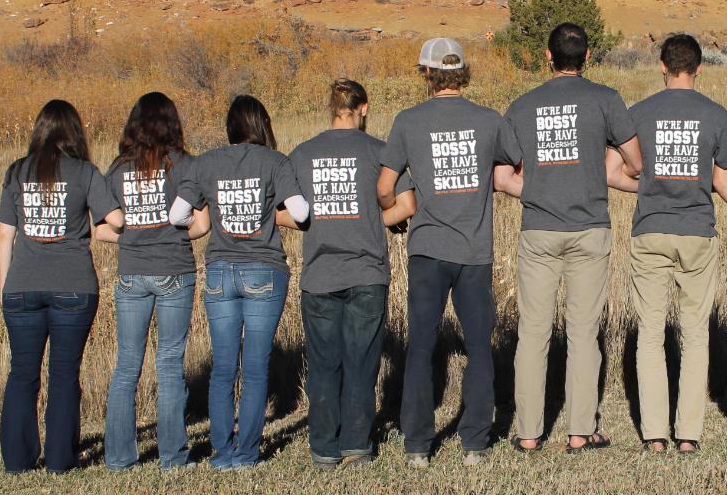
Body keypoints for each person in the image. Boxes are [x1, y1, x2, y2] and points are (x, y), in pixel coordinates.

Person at [377, 38, 521, 467]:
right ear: (463, 74)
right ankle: (475, 441)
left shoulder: (408, 121)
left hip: (426, 251)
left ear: (426, 73)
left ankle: (418, 445)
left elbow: (385, 186)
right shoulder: (488, 120)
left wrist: (397, 213)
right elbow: (514, 166)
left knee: (420, 345)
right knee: (479, 345)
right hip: (475, 251)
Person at [502, 23, 642, 453]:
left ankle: (528, 433)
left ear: (548, 57)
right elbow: (635, 161)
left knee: (533, 333)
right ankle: (580, 432)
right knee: (583, 333)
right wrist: (605, 166)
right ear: (586, 57)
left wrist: (541, 188)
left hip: (539, 229)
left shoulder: (522, 106)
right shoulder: (606, 99)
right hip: (589, 228)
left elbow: (502, 176)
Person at [605, 34, 727, 454]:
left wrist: (648, 185)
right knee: (695, 333)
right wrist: (708, 182)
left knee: (649, 333)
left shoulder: (640, 112)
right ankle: (688, 434)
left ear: (661, 66)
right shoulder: (715, 114)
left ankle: (653, 435)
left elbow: (611, 171)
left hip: (650, 229)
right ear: (700, 68)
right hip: (697, 230)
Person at [170, 95, 309, 470]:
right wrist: (266, 214)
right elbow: (300, 211)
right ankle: (246, 453)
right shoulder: (274, 162)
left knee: (223, 367)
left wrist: (213, 212)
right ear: (262, 125)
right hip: (264, 269)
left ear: (230, 127)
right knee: (255, 366)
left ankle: (221, 451)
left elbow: (177, 214)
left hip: (219, 271)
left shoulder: (205, 163)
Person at [286, 80, 416, 469]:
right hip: (367, 272)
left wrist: (320, 224)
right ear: (362, 108)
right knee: (363, 361)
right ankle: (357, 445)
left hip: (319, 273)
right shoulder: (379, 151)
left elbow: (287, 214)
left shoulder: (303, 154)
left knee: (325, 363)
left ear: (331, 108)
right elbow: (406, 205)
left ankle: (324, 447)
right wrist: (372, 223)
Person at [0, 100, 124, 473]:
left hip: (21, 289)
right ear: (75, 133)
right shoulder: (84, 172)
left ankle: (17, 461)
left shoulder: (17, 171)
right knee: (64, 375)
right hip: (74, 287)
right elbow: (114, 220)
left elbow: (5, 235)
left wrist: (7, 288)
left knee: (22, 373)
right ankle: (59, 460)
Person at [98, 92, 211, 471]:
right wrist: (172, 234)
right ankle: (173, 457)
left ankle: (117, 457)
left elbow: (100, 229)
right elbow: (202, 225)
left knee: (127, 363)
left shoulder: (116, 170)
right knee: (169, 363)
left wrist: (132, 235)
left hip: (131, 272)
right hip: (175, 270)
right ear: (172, 123)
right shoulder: (186, 165)